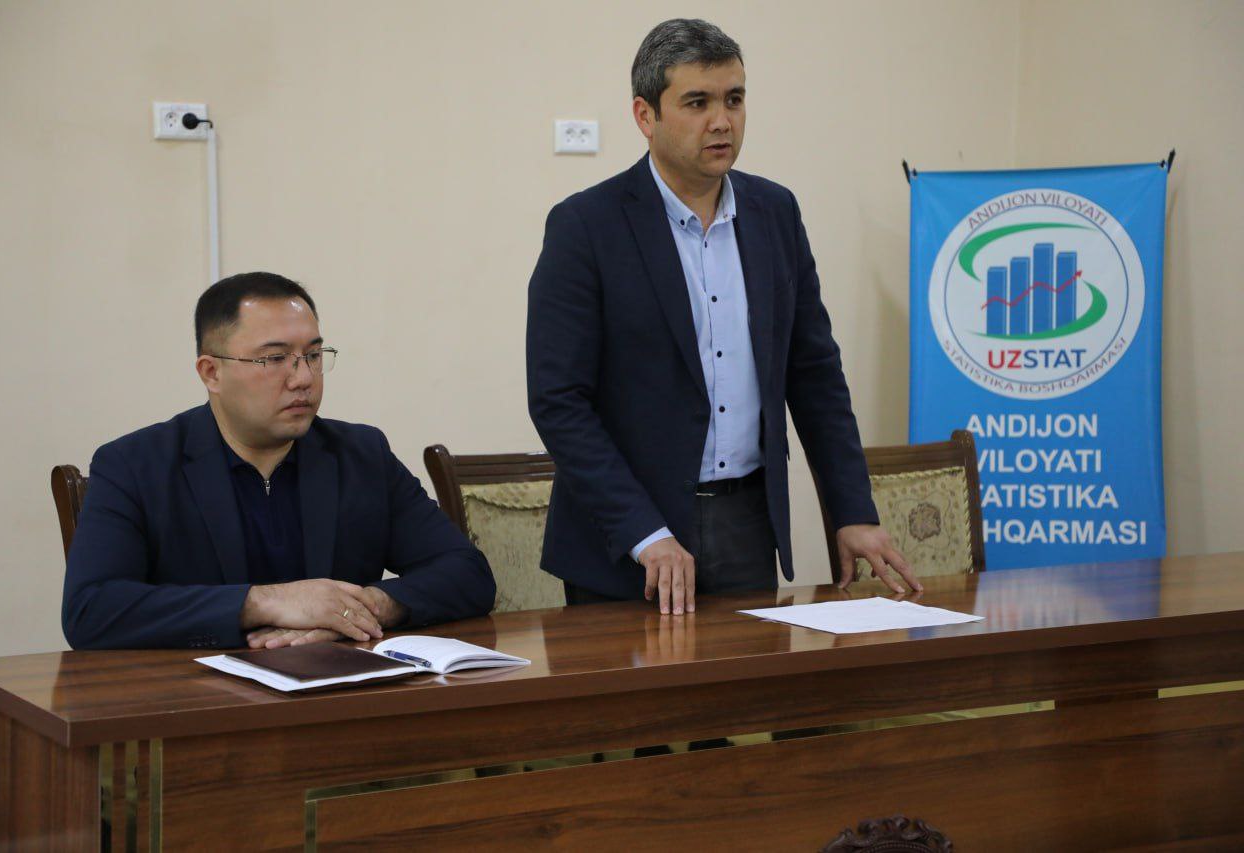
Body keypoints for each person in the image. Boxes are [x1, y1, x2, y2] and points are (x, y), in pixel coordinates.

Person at [526, 18, 919, 615]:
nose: (722, 121)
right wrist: (644, 533)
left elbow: (814, 373)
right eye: (697, 102)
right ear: (645, 115)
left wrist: (852, 511)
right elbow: (559, 399)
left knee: (751, 678)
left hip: (747, 521)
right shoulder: (586, 226)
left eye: (734, 99)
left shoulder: (775, 213)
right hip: (629, 540)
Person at [62, 272, 495, 649]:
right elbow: (91, 609)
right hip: (201, 699)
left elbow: (467, 574)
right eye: (274, 359)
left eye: (313, 356)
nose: (303, 378)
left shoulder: (361, 455)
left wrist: (362, 608)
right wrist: (264, 602)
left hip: (340, 689)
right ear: (211, 372)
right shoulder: (135, 466)